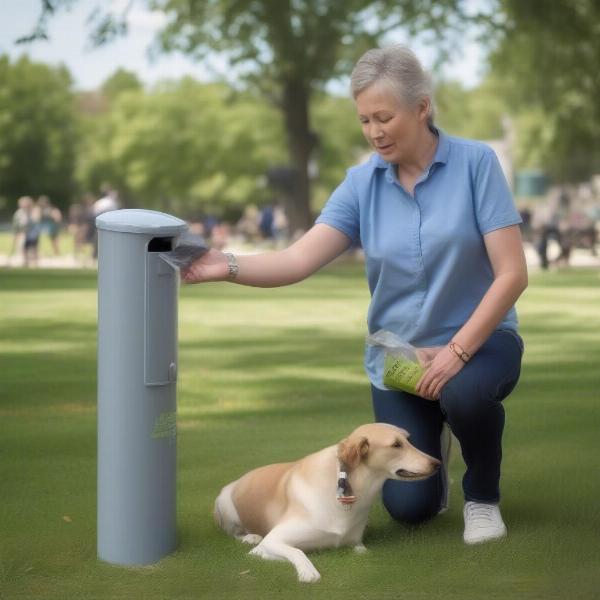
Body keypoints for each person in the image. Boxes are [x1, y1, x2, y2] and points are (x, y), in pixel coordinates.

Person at [181, 45, 528, 545]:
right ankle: (437, 446)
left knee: (466, 393)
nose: (374, 132)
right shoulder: (361, 183)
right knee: (410, 509)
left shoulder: (477, 164)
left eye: (384, 117)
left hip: (482, 343)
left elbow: (512, 274)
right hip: (400, 363)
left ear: (422, 107)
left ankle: (481, 496)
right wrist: (225, 265)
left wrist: (456, 353)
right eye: (364, 120)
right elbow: (297, 260)